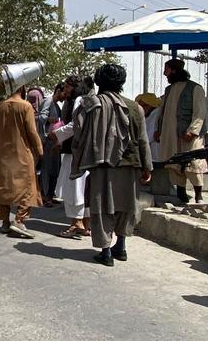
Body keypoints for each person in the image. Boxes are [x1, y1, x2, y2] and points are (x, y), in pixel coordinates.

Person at [72, 64, 153, 266]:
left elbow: (79, 132)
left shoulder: (91, 104)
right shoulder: (135, 108)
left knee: (101, 207)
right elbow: (143, 139)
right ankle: (121, 246)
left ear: (99, 81)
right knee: (126, 206)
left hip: (102, 164)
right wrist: (147, 167)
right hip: (130, 163)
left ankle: (106, 251)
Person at [0, 87, 44, 239]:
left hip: (1, 154)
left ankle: (5, 222)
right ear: (22, 88)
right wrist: (40, 151)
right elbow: (32, 132)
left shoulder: (0, 107)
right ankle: (19, 220)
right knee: (29, 187)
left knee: (3, 188)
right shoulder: (25, 106)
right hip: (21, 154)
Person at [155, 58, 208, 204]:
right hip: (170, 135)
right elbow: (163, 113)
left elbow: (200, 112)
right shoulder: (169, 90)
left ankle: (198, 195)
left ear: (174, 70)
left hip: (189, 136)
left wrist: (192, 130)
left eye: (166, 70)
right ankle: (181, 193)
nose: (165, 73)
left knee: (193, 164)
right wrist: (158, 130)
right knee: (174, 164)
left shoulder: (195, 88)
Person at [51, 75, 94, 239]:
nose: (65, 90)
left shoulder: (78, 101)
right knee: (83, 189)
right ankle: (85, 224)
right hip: (84, 152)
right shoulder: (87, 100)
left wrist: (56, 136)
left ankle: (76, 224)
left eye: (68, 86)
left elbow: (75, 125)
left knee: (74, 188)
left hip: (75, 152)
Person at [39, 82, 65, 207]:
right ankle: (44, 196)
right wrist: (48, 120)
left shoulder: (57, 106)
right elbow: (40, 118)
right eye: (63, 93)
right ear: (58, 91)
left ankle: (50, 194)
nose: (65, 96)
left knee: (55, 169)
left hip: (55, 141)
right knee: (47, 169)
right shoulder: (48, 101)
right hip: (47, 141)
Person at [135, 92, 161, 162]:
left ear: (152, 105)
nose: (142, 108)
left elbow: (148, 136)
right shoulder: (148, 115)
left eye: (145, 106)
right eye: (140, 106)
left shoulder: (156, 114)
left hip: (155, 153)